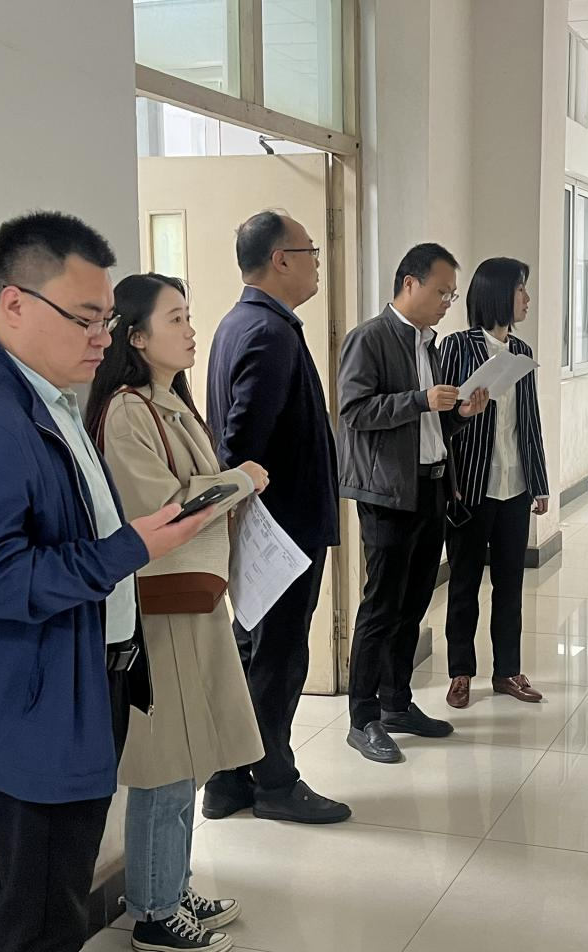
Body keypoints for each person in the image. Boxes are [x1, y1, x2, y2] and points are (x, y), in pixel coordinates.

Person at [0, 212, 214, 952]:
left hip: (71, 683)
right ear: (14, 304)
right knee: (44, 910)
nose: (102, 337)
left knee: (27, 885)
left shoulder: (47, 397)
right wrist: (130, 549)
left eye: (106, 319)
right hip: (31, 701)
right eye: (84, 318)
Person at [85, 273, 269, 952]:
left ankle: (170, 884)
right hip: (161, 609)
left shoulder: (169, 402)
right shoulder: (127, 411)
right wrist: (238, 481)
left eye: (189, 317)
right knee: (165, 761)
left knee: (189, 756)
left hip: (193, 600)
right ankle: (155, 914)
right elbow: (161, 510)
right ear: (135, 337)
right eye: (176, 319)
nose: (192, 331)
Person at [203, 211, 349, 823]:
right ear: (280, 259)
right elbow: (241, 443)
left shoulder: (241, 323)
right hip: (279, 532)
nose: (317, 262)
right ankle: (274, 782)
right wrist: (250, 510)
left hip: (266, 527)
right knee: (278, 658)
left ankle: (228, 778)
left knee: (251, 651)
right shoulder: (268, 332)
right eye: (310, 251)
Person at [337, 242, 489, 763]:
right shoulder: (370, 338)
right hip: (387, 493)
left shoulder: (430, 345)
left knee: (415, 603)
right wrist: (421, 400)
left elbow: (429, 426)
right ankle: (362, 718)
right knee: (381, 606)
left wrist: (460, 414)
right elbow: (354, 411)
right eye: (442, 292)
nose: (448, 302)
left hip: (431, 486)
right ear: (409, 283)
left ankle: (396, 703)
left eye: (452, 295)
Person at [438, 258, 550, 709]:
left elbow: (530, 422)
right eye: (521, 290)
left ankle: (507, 671)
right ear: (498, 294)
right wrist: (464, 417)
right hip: (471, 488)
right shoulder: (456, 347)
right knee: (464, 584)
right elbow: (441, 422)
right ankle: (460, 673)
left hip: (514, 485)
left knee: (510, 584)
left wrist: (539, 482)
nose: (527, 299)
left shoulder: (521, 351)